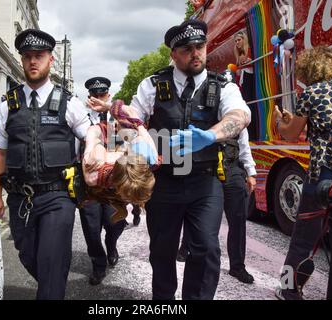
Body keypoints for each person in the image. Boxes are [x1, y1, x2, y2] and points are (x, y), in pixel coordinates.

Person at [130, 19, 251, 300]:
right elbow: (131, 117)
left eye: (200, 46)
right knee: (162, 251)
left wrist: (211, 135)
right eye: (186, 49)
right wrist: (139, 136)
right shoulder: (152, 85)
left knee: (207, 248)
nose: (195, 53)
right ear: (173, 54)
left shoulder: (223, 85)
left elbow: (240, 115)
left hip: (204, 183)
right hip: (163, 183)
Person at [0, 29, 91, 300]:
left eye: (39, 56)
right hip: (20, 199)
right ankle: (51, 285)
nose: (33, 61)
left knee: (52, 261)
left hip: (58, 196)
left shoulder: (70, 102)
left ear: (50, 60)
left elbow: (90, 132)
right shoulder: (7, 105)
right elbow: (0, 153)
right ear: (21, 60)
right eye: (28, 56)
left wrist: (96, 147)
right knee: (27, 254)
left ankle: (51, 289)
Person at [273, 46, 332, 300]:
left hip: (323, 177)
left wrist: (280, 121)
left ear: (311, 68)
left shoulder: (312, 92)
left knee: (303, 239)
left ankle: (289, 289)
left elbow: (291, 133)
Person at [177, 128, 257, 284]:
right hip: (206, 171)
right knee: (196, 213)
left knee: (238, 220)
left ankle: (237, 266)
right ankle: (186, 247)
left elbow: (244, 148)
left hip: (233, 172)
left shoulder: (238, 120)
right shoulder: (205, 114)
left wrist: (251, 173)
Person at [78, 77, 127, 286]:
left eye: (102, 94)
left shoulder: (117, 117)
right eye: (94, 95)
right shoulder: (79, 117)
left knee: (116, 222)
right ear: (89, 97)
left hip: (113, 183)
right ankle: (98, 264)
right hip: (89, 184)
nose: (98, 98)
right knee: (91, 228)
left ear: (108, 95)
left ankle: (111, 243)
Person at [234, 31, 257, 140]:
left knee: (251, 106)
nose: (237, 42)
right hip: (243, 82)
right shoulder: (239, 54)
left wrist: (249, 62)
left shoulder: (251, 50)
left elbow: (256, 65)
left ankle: (253, 132)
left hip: (250, 80)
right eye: (236, 41)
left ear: (244, 40)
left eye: (239, 40)